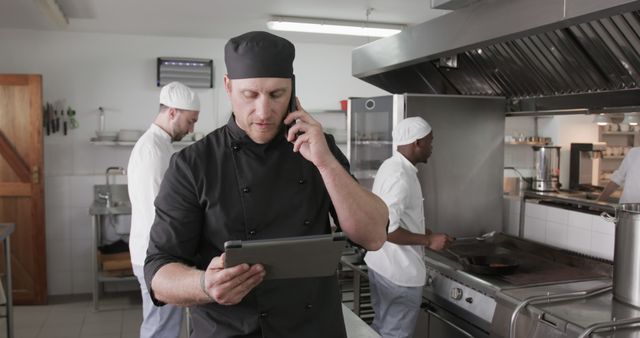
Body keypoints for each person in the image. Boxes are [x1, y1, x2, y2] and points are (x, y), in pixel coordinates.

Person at [143, 31, 388, 338]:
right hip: (229, 330)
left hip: (314, 329)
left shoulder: (318, 148)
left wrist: (326, 163)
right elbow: (159, 270)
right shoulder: (193, 164)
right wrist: (204, 284)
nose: (263, 111)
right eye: (250, 95)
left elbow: (374, 236)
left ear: (293, 90)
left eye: (276, 95)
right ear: (229, 87)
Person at [364, 116, 453, 338]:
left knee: (381, 330)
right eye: (430, 142)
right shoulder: (401, 176)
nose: (432, 147)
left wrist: (422, 231)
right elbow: (386, 229)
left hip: (381, 265)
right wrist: (428, 241)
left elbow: (390, 217)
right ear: (417, 143)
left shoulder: (391, 165)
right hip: (397, 272)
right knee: (395, 335)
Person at [127, 81, 200, 338]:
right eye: (190, 121)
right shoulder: (152, 151)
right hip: (156, 256)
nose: (192, 129)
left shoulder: (159, 146)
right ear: (172, 112)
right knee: (161, 330)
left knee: (162, 326)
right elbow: (161, 211)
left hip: (155, 252)